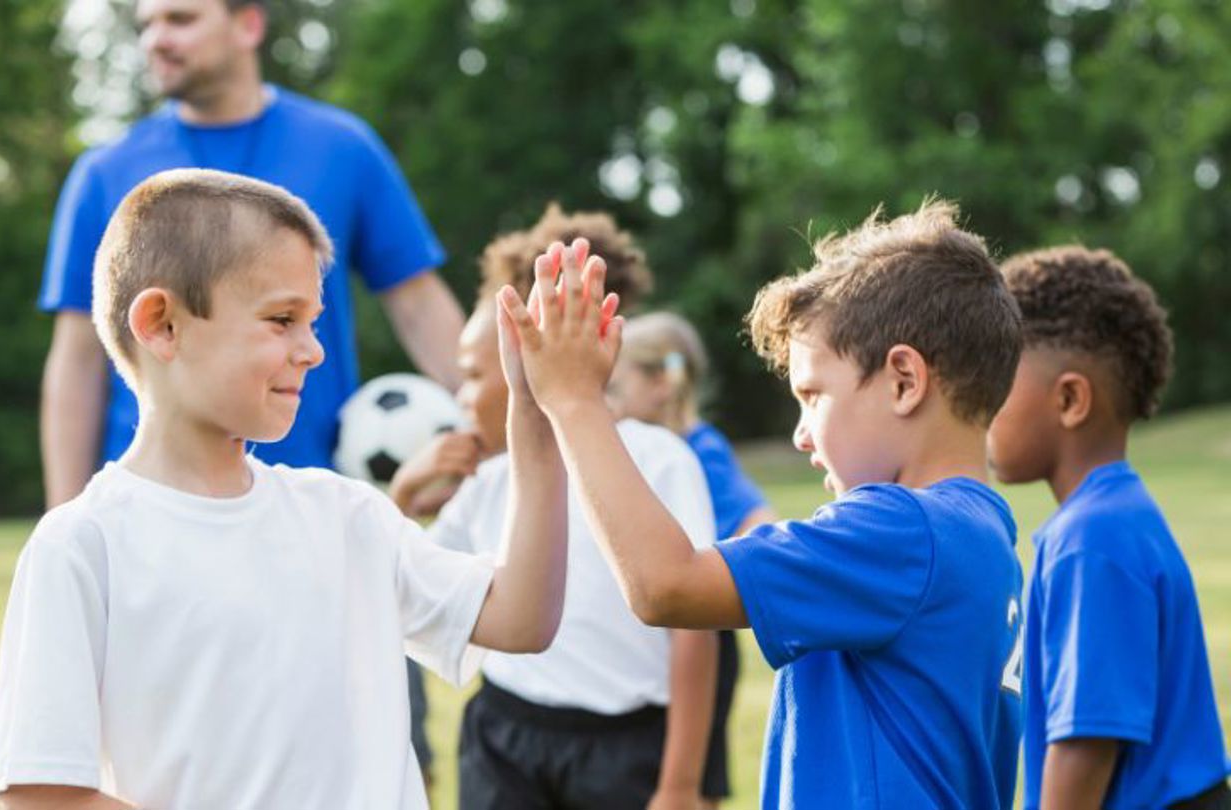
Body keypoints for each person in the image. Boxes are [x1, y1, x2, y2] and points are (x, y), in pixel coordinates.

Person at [0, 170, 568, 810]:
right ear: (161, 325)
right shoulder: (84, 544)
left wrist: (537, 423)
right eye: (282, 319)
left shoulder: (345, 515)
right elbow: (41, 797)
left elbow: (522, 618)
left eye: (313, 322)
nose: (313, 351)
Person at [498, 199, 1027, 808]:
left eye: (813, 395)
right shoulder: (986, 536)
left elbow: (665, 585)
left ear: (904, 381)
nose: (802, 434)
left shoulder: (901, 530)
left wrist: (573, 401)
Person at [39, 0, 464, 510]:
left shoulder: (343, 147)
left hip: (312, 494)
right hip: (153, 499)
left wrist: (495, 432)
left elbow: (419, 306)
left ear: (248, 24)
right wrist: (64, 513)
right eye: (146, 24)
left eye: (181, 19)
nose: (156, 39)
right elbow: (77, 359)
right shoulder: (104, 173)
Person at [394, 211, 718, 810]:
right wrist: (403, 499)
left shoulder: (658, 457)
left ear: (522, 358)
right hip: (505, 738)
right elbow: (412, 585)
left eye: (470, 374)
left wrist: (679, 784)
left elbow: (695, 635)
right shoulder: (486, 478)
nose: (460, 396)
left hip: (624, 749)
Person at [987, 246, 1230, 810]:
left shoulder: (1091, 539)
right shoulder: (1112, 517)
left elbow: (1086, 742)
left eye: (999, 377)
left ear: (1070, 399)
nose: (983, 401)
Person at [608, 311, 779, 807]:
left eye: (616, 387)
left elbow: (757, 521)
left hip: (700, 636)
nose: (609, 403)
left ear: (662, 383)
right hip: (656, 634)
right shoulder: (646, 448)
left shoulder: (699, 451)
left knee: (697, 773)